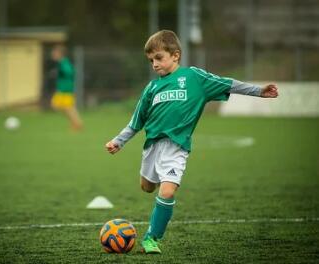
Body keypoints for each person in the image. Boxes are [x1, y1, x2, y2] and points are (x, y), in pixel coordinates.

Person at [105, 30, 278, 254]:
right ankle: (158, 186)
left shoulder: (194, 78)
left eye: (159, 58)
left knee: (166, 192)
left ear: (175, 55)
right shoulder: (152, 88)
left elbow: (227, 83)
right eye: (150, 60)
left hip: (177, 147)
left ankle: (151, 238)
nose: (154, 64)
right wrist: (119, 141)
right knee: (147, 187)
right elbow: (136, 121)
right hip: (152, 147)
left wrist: (258, 91)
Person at [50, 44, 83, 130]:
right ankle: (76, 123)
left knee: (65, 107)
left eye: (54, 53)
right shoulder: (62, 62)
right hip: (63, 89)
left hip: (65, 89)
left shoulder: (64, 62)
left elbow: (70, 72)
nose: (53, 54)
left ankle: (77, 124)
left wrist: (62, 73)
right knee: (66, 108)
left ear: (60, 54)